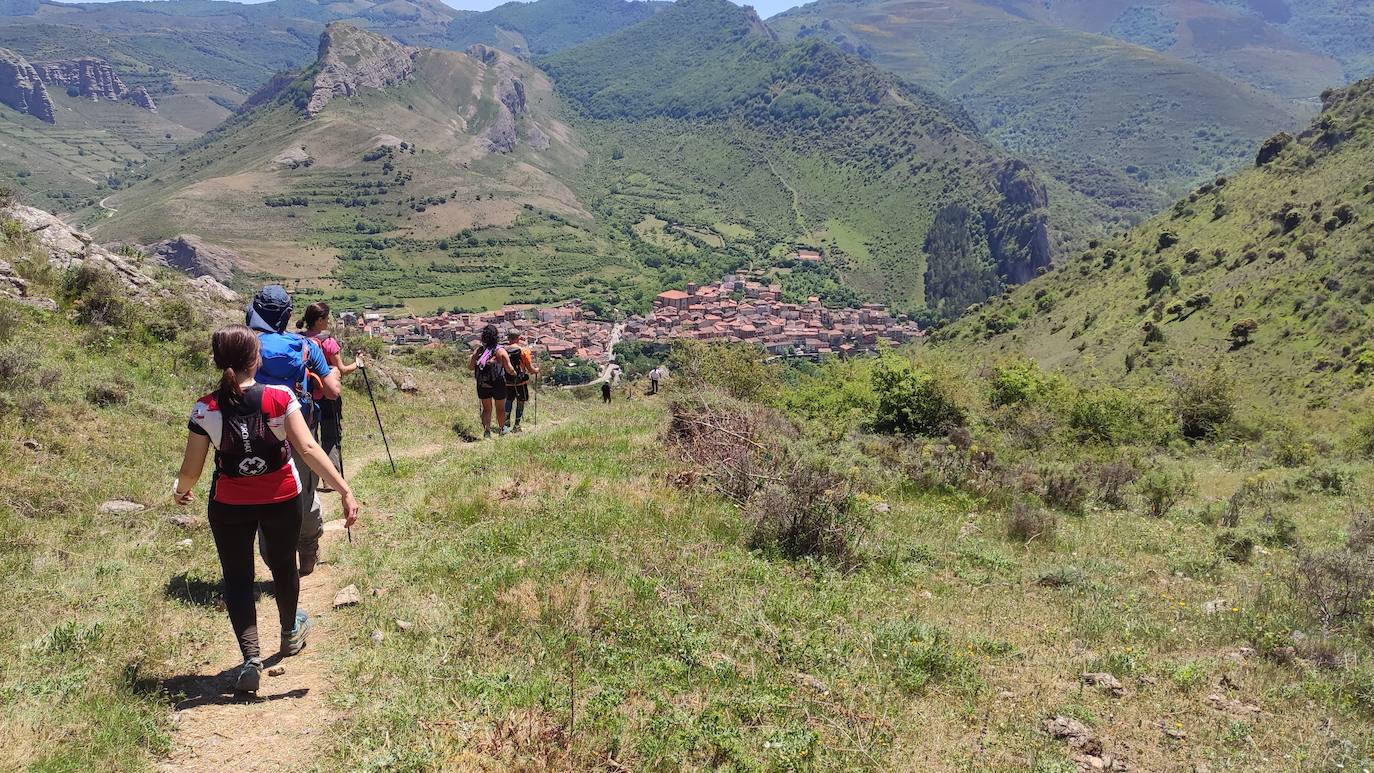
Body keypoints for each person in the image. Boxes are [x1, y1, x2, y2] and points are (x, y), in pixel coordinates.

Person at [174, 325, 359, 694]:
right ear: (255, 359)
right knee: (282, 565)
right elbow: (307, 449)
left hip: (229, 502)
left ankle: (250, 658)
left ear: (218, 361)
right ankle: (290, 632)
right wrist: (344, 489)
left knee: (238, 577)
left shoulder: (205, 407)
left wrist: (182, 490)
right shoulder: (279, 396)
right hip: (281, 496)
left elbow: (192, 468)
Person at [246, 286, 341, 576]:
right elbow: (332, 391)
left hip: (257, 431)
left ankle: (275, 558)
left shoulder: (247, 346)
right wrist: (335, 372)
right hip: (300, 431)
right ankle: (308, 549)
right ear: (288, 316)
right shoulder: (306, 347)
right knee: (305, 492)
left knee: (264, 493)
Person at [296, 302, 362, 487]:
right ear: (319, 320)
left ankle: (310, 478)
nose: (328, 321)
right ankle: (331, 479)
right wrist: (357, 363)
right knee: (331, 436)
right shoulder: (328, 342)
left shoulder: (298, 339)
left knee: (309, 437)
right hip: (327, 396)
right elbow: (341, 370)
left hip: (304, 396)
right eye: (326, 318)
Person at [468, 323, 514, 439]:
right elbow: (509, 369)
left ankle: (487, 431)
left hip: (483, 383)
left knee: (487, 408)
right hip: (498, 383)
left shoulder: (479, 350)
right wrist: (515, 374)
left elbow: (470, 366)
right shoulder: (500, 351)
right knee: (500, 408)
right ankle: (502, 429)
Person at [502, 330, 540, 433]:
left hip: (507, 381)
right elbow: (530, 369)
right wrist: (536, 370)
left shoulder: (502, 351)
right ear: (518, 338)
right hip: (520, 382)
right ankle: (517, 426)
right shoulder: (524, 351)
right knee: (520, 402)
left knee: (508, 401)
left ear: (508, 338)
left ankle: (505, 426)